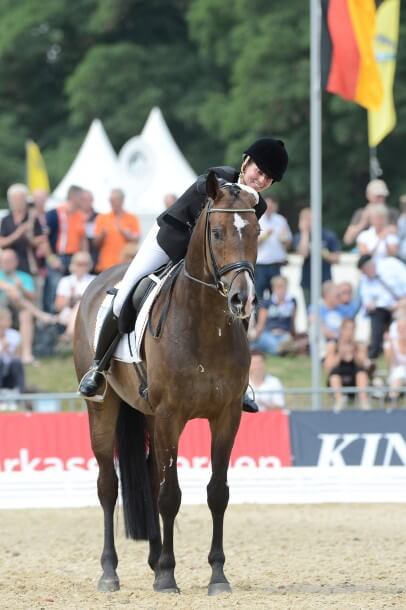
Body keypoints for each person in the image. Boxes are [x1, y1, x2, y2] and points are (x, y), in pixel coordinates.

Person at [78, 137, 289, 414]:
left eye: (268, 179)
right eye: (258, 172)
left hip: (205, 262)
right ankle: (98, 368)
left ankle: (241, 383)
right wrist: (227, 190)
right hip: (169, 242)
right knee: (126, 293)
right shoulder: (220, 177)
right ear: (245, 163)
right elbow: (206, 184)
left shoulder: (256, 206)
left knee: (243, 304)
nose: (261, 180)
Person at [0, 249, 55, 364]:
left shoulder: (24, 277)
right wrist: (11, 288)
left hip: (19, 308)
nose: (6, 264)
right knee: (11, 291)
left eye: (9, 261)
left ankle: (26, 354)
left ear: (16, 262)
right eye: (4, 261)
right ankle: (40, 315)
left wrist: (22, 288)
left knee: (26, 314)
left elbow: (33, 298)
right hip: (2, 307)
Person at [358, 254, 406, 359]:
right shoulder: (365, 279)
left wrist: (401, 303)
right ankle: (374, 352)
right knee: (375, 319)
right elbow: (366, 300)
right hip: (382, 309)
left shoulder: (391, 264)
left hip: (402, 303)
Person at [293, 208, 340, 308]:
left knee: (329, 309)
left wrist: (323, 253)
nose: (308, 222)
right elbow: (303, 253)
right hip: (307, 282)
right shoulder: (299, 237)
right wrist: (305, 233)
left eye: (310, 219)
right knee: (310, 312)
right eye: (305, 220)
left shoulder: (328, 235)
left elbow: (336, 258)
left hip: (325, 280)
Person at [324, 319, 371, 411]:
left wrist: (354, 352)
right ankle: (339, 401)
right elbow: (328, 368)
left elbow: (364, 365)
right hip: (339, 377)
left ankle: (363, 401)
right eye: (347, 329)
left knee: (361, 374)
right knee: (334, 376)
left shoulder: (359, 345)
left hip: (354, 378)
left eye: (352, 329)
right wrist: (340, 354)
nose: (349, 332)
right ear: (341, 330)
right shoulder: (333, 345)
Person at [0, 183, 45, 275]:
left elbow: (41, 240)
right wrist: (18, 234)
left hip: (29, 264)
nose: (17, 202)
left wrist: (29, 236)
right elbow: (2, 242)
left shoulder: (32, 218)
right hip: (9, 265)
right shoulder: (6, 219)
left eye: (20, 199)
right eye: (15, 199)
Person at [93, 188, 141, 273]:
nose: (111, 203)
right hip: (106, 265)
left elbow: (137, 239)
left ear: (122, 200)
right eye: (110, 200)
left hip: (125, 265)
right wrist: (102, 235)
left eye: (114, 200)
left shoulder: (132, 218)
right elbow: (95, 243)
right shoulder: (102, 218)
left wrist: (126, 234)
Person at [255, 196, 292, 299]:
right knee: (258, 295)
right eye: (267, 206)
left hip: (276, 265)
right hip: (260, 265)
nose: (269, 208)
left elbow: (288, 244)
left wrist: (284, 240)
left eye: (272, 206)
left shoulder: (281, 220)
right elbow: (251, 243)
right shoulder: (257, 219)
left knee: (276, 296)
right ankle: (259, 315)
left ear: (276, 206)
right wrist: (265, 236)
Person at [249, 275, 296, 355]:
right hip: (269, 333)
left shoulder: (292, 302)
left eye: (283, 287)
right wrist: (254, 336)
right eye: (278, 287)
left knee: (286, 340)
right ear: (273, 288)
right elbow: (261, 324)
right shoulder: (267, 303)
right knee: (270, 342)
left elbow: (292, 322)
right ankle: (282, 350)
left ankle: (282, 350)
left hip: (284, 334)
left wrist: (294, 335)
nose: (281, 290)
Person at [343, 178, 398, 246]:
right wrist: (363, 223)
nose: (381, 199)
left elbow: (399, 233)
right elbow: (348, 240)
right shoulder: (361, 213)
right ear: (368, 196)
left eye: (382, 196)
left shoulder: (392, 212)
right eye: (378, 196)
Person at [54, 252, 95, 341]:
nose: (82, 267)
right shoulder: (65, 281)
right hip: (67, 313)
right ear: (73, 264)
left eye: (85, 264)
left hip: (88, 313)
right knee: (78, 306)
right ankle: (70, 334)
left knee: (80, 304)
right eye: (79, 264)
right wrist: (70, 298)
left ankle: (69, 334)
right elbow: (58, 306)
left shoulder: (94, 280)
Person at [0, 306, 25, 392]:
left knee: (16, 363)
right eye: (7, 319)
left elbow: (19, 357)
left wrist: (9, 351)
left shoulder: (14, 335)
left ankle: (21, 394)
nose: (10, 321)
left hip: (11, 368)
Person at [80, 190, 99, 271]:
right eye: (84, 200)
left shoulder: (98, 216)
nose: (86, 203)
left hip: (93, 252)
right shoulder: (75, 215)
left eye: (88, 200)